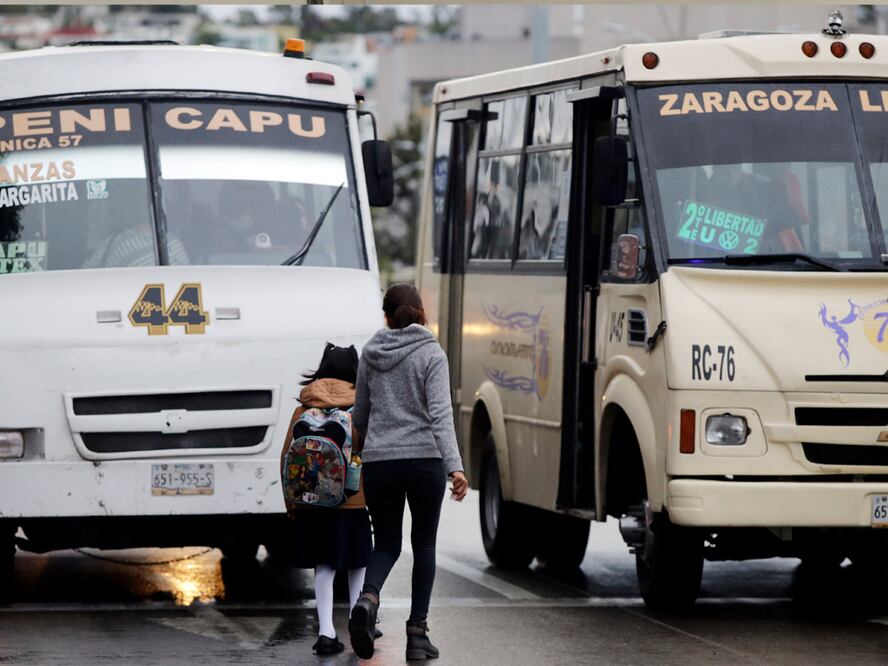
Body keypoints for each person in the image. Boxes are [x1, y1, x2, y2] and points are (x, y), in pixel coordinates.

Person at [348, 283, 468, 661]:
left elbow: (360, 415)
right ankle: (417, 636)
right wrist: (455, 467)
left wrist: (357, 453)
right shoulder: (431, 353)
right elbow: (441, 415)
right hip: (424, 462)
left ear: (386, 316)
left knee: (386, 544)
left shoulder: (370, 353)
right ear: (421, 313)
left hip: (380, 463)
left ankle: (368, 599)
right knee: (424, 545)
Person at [279, 343, 379, 656]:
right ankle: (359, 622)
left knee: (324, 565)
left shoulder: (304, 408)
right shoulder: (359, 408)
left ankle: (325, 632)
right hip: (352, 502)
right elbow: (370, 454)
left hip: (311, 502)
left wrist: (292, 504)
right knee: (358, 562)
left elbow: (286, 458)